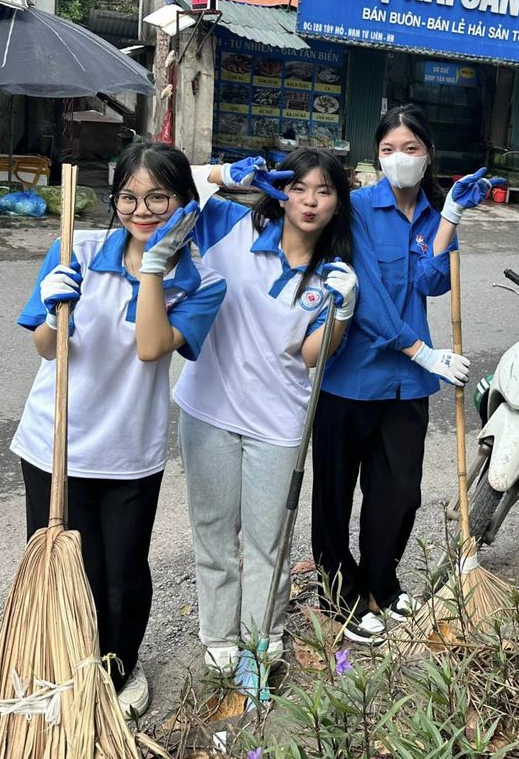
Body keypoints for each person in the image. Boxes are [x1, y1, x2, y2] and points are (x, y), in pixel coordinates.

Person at [13, 142, 227, 715]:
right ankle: (63, 670)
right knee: (64, 568)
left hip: (130, 450)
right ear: (114, 202)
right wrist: (56, 308)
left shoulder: (202, 282)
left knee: (122, 573)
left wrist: (155, 267)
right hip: (53, 442)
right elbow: (45, 344)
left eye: (159, 196)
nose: (143, 210)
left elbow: (152, 347)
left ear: (185, 202)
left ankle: (118, 671)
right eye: (129, 197)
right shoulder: (76, 248)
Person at [311, 104, 503, 646]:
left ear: (429, 155)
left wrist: (449, 221)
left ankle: (382, 582)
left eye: (411, 149)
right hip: (350, 378)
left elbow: (430, 282)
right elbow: (362, 297)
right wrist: (423, 352)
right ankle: (339, 594)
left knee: (399, 494)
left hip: (406, 388)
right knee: (335, 495)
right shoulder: (354, 209)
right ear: (377, 154)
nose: (399, 159)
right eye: (389, 149)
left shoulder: (439, 212)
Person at [173, 148, 358, 677]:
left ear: (337, 204)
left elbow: (310, 356)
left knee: (267, 542)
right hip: (208, 411)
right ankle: (218, 636)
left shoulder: (334, 274)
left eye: (325, 191)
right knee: (212, 529)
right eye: (300, 187)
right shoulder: (230, 224)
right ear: (281, 189)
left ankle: (262, 640)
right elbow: (162, 186)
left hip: (278, 424)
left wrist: (342, 310)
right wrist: (223, 174)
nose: (310, 200)